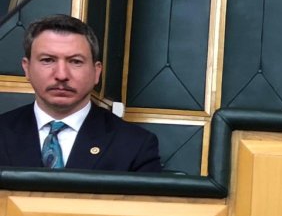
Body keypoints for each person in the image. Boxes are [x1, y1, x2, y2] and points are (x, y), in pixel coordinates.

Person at [0, 14, 161, 172]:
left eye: (75, 61)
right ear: (27, 68)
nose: (61, 75)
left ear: (96, 72)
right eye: (47, 60)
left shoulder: (135, 145)